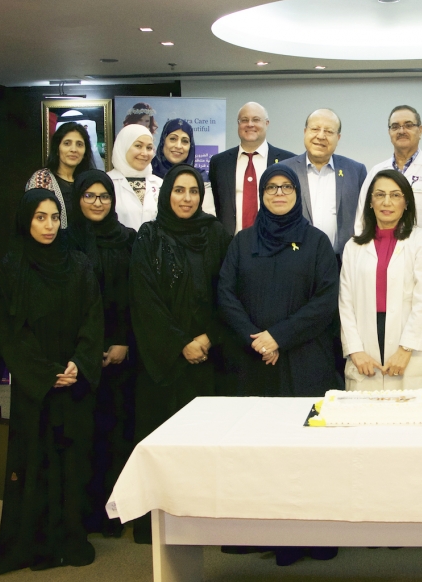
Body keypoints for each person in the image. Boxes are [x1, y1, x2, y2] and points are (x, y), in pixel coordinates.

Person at [0, 189, 104, 573]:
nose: (49, 225)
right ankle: (32, 543)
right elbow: (10, 328)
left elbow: (93, 318)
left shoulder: (79, 263)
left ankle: (70, 537)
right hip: (35, 385)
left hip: (73, 381)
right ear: (26, 220)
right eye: (40, 217)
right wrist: (44, 372)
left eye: (55, 217)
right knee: (34, 461)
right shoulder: (11, 266)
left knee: (72, 461)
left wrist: (78, 364)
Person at [128, 164, 231, 543]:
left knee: (204, 444)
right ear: (166, 193)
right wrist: (179, 343)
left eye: (193, 191)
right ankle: (160, 525)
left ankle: (202, 524)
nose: (186, 198)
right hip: (163, 362)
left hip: (208, 360)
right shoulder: (149, 235)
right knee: (163, 445)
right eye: (179, 190)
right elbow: (144, 299)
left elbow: (228, 292)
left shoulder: (216, 234)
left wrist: (208, 337)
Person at [218, 163, 340, 397]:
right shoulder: (242, 241)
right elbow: (226, 294)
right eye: (271, 187)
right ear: (262, 193)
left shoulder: (317, 242)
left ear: (297, 192)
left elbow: (325, 301)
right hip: (250, 358)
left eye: (286, 186)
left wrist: (278, 337)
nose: (279, 193)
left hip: (304, 358)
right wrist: (257, 341)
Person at [66, 170, 138, 538]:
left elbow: (135, 294)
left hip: (122, 352)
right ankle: (83, 514)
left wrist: (124, 341)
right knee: (83, 435)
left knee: (116, 431)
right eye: (89, 196)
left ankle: (114, 515)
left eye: (104, 196)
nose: (98, 203)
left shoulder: (128, 239)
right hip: (80, 354)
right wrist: (87, 350)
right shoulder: (65, 240)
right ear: (77, 199)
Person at [340, 170, 422, 392]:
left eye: (395, 195)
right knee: (365, 411)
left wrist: (406, 349)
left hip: (408, 340)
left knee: (410, 410)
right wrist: (355, 350)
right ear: (370, 202)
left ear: (406, 203)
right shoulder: (353, 246)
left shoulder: (421, 241)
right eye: (380, 195)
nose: (387, 202)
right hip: (364, 341)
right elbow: (345, 304)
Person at [356, 105, 422, 264]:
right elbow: (362, 220)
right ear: (389, 132)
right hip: (380, 259)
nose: (401, 130)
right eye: (395, 126)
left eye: (408, 125)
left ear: (420, 130)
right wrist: (365, 259)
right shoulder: (376, 172)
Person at [279, 108, 367, 256]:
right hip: (294, 259)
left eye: (329, 131)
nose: (320, 136)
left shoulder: (356, 171)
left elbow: (366, 218)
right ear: (305, 132)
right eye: (315, 129)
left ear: (338, 137)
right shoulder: (284, 170)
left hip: (342, 261)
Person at [207, 102, 297, 235]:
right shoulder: (219, 162)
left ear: (267, 123)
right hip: (229, 242)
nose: (250, 124)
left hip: (275, 240)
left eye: (256, 119)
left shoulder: (288, 161)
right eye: (244, 120)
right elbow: (215, 203)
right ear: (238, 124)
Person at [26, 121, 96, 229]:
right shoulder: (42, 179)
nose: (73, 149)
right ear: (57, 149)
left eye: (79, 144)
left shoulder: (90, 181)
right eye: (67, 143)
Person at [107, 124, 157, 230]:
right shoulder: (106, 182)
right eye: (138, 146)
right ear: (123, 146)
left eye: (149, 148)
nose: (144, 153)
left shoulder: (160, 183)